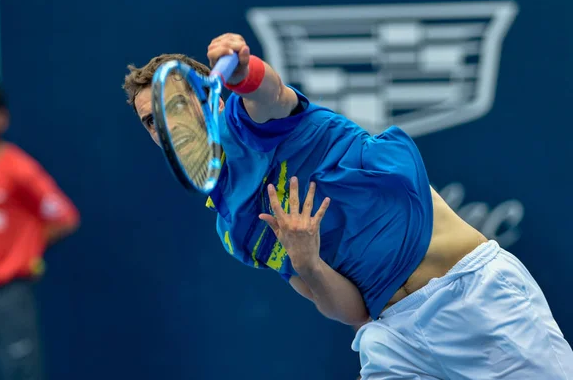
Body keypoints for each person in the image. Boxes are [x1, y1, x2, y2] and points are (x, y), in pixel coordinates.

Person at [123, 34, 573, 379]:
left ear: (208, 95)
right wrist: (308, 260)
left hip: (471, 296)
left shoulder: (252, 120)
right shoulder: (233, 227)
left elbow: (270, 93)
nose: (167, 123)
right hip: (393, 336)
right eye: (151, 120)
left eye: (175, 104)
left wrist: (244, 72)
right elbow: (351, 312)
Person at [0, 77, 80, 380]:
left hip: (7, 299)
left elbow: (64, 217)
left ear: (0, 118)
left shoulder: (17, 168)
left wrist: (25, 249)